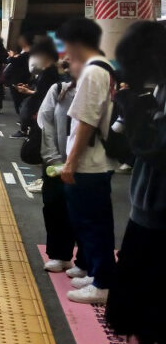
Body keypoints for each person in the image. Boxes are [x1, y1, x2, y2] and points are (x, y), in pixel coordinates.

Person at [105, 20, 166, 344]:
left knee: (161, 297)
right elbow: (133, 150)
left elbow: (156, 150)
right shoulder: (159, 89)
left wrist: (134, 115)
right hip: (149, 211)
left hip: (163, 216)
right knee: (150, 298)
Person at [58, 18, 118, 305]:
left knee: (93, 224)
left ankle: (103, 284)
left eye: (67, 45)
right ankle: (96, 272)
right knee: (94, 223)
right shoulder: (104, 68)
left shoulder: (94, 73)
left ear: (77, 43)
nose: (66, 52)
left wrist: (71, 162)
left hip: (89, 164)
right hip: (95, 162)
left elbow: (86, 122)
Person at [36, 64, 80, 273]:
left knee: (82, 211)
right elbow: (45, 121)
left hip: (84, 165)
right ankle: (59, 255)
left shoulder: (101, 91)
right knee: (54, 206)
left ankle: (85, 261)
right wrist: (53, 159)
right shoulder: (58, 90)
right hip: (56, 161)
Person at [14, 36, 60, 138]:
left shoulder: (50, 72)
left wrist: (27, 91)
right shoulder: (46, 70)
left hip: (44, 110)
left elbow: (43, 93)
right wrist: (29, 87)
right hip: (41, 110)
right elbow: (40, 88)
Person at [6, 32, 35, 115]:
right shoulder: (28, 53)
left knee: (19, 100)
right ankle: (23, 118)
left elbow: (14, 61)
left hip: (18, 80)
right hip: (24, 79)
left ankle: (23, 119)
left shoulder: (26, 54)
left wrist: (12, 56)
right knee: (22, 100)